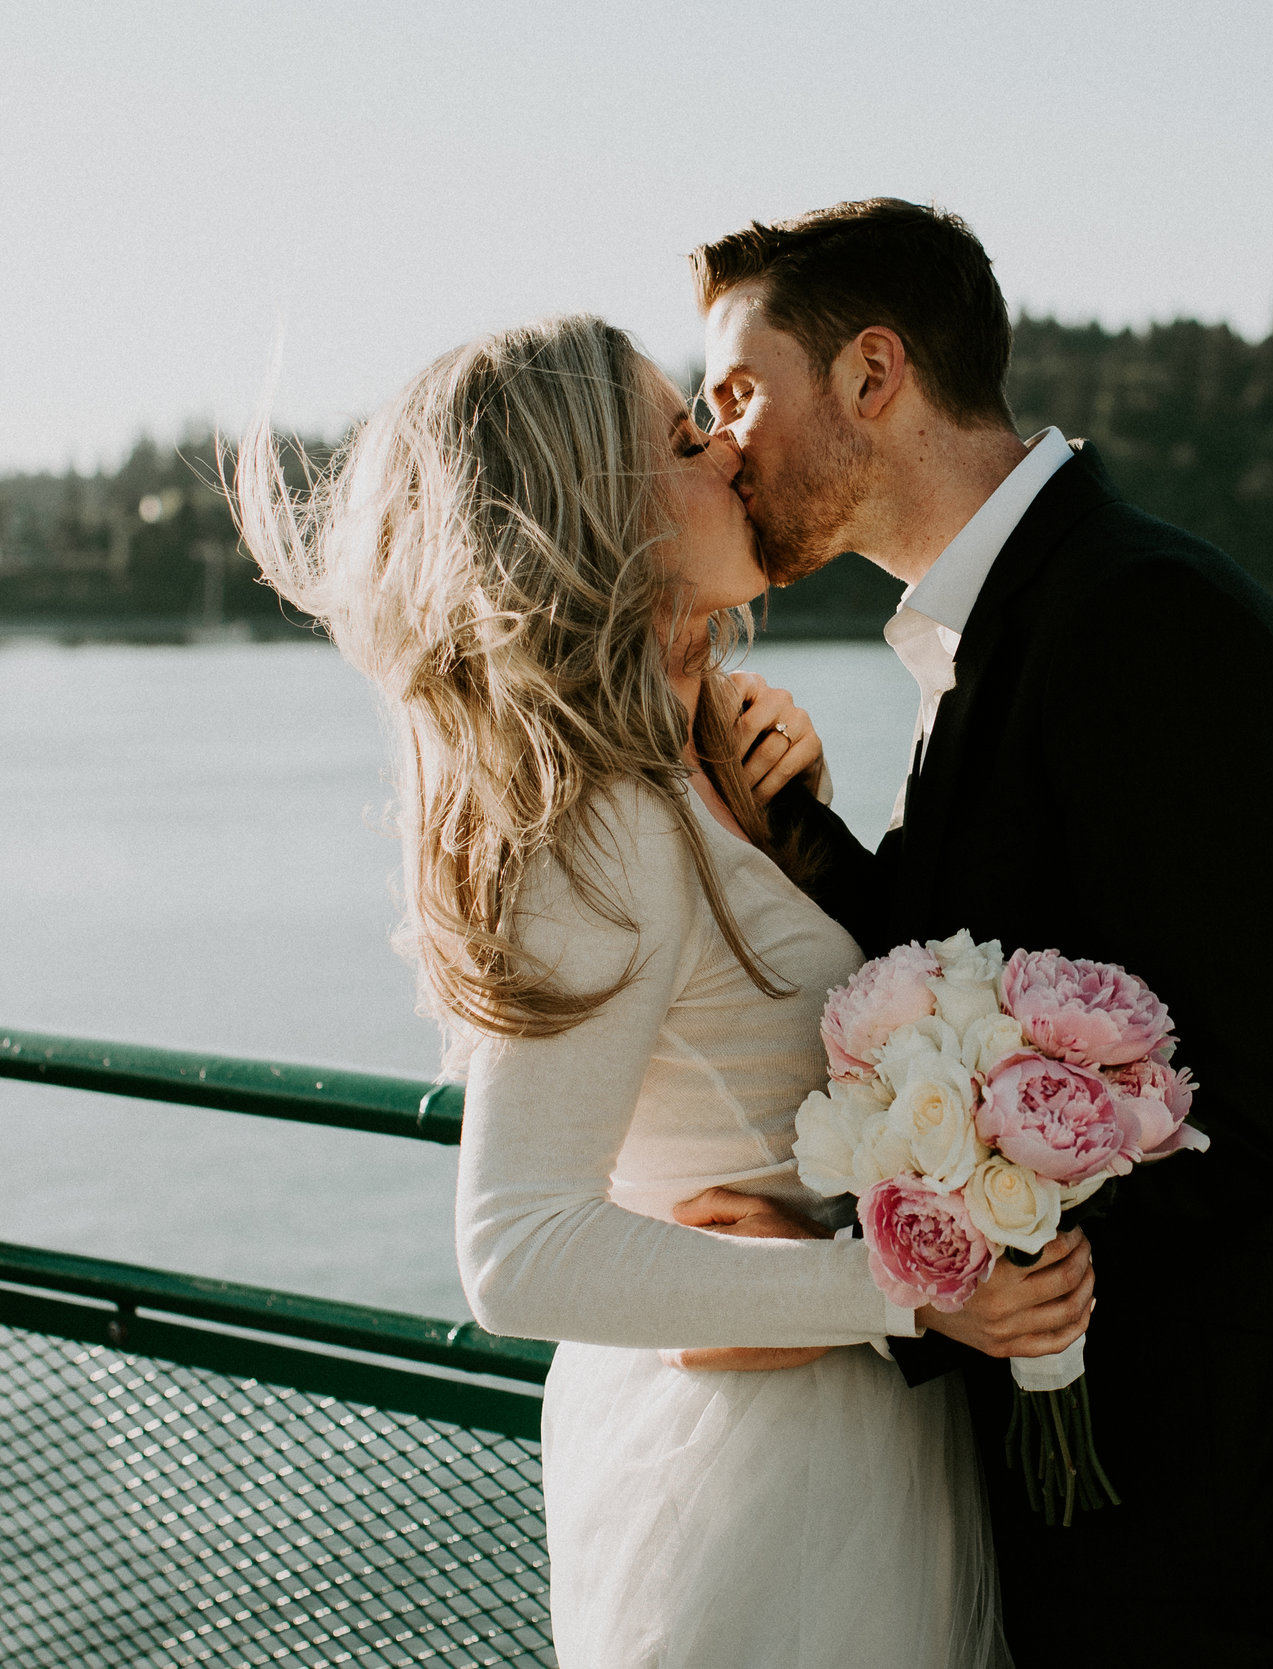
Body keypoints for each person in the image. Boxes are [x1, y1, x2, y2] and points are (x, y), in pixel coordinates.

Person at [230, 315, 1093, 1668]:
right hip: (772, 1489)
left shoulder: (697, 767)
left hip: (834, 1444)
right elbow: (517, 1250)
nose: (735, 455)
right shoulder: (599, 825)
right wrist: (899, 1290)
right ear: (600, 512)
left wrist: (801, 824)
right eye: (690, 439)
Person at [687, 199, 1273, 1667]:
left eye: (738, 391)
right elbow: (973, 982)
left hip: (1203, 1504)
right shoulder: (991, 632)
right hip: (1107, 1485)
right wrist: (793, 826)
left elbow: (1248, 1099)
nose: (723, 440)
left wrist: (912, 1264)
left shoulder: (1148, 618)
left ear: (871, 374)